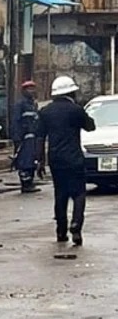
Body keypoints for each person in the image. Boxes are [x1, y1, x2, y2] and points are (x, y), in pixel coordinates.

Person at [35, 76, 96, 246]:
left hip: (56, 160)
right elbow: (91, 126)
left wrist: (40, 161)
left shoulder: (45, 111)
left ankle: (61, 231)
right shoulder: (75, 110)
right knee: (78, 193)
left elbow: (39, 138)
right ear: (72, 92)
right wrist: (82, 111)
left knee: (60, 194)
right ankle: (76, 224)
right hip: (74, 158)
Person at [11, 80, 42, 194]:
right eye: (29, 89)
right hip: (24, 138)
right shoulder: (20, 105)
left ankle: (30, 182)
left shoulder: (33, 104)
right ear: (23, 91)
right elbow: (16, 122)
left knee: (32, 161)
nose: (31, 91)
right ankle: (25, 184)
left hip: (33, 138)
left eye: (33, 88)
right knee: (24, 161)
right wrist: (17, 138)